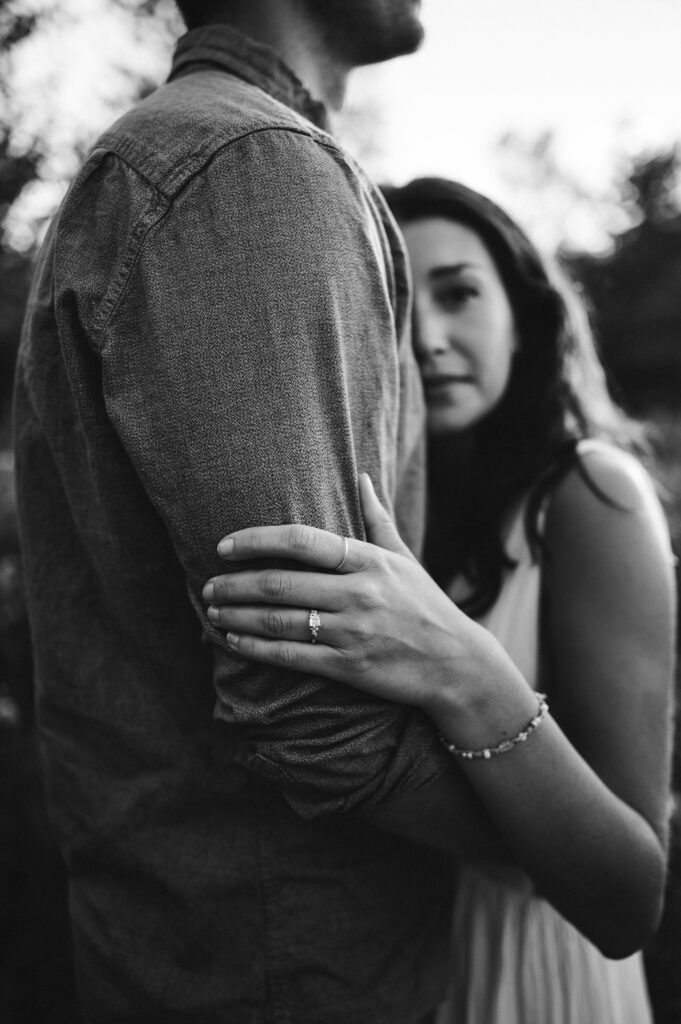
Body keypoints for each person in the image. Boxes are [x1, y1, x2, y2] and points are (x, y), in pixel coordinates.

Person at [11, 8, 511, 1023]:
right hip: (289, 972)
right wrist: (563, 834)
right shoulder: (246, 168)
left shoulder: (188, 160)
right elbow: (312, 713)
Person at [201, 179, 676, 1023]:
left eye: (459, 294)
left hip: (540, 978)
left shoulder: (591, 495)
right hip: (387, 968)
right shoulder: (383, 506)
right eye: (397, 303)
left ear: (525, 312)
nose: (426, 337)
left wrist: (465, 673)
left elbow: (630, 897)